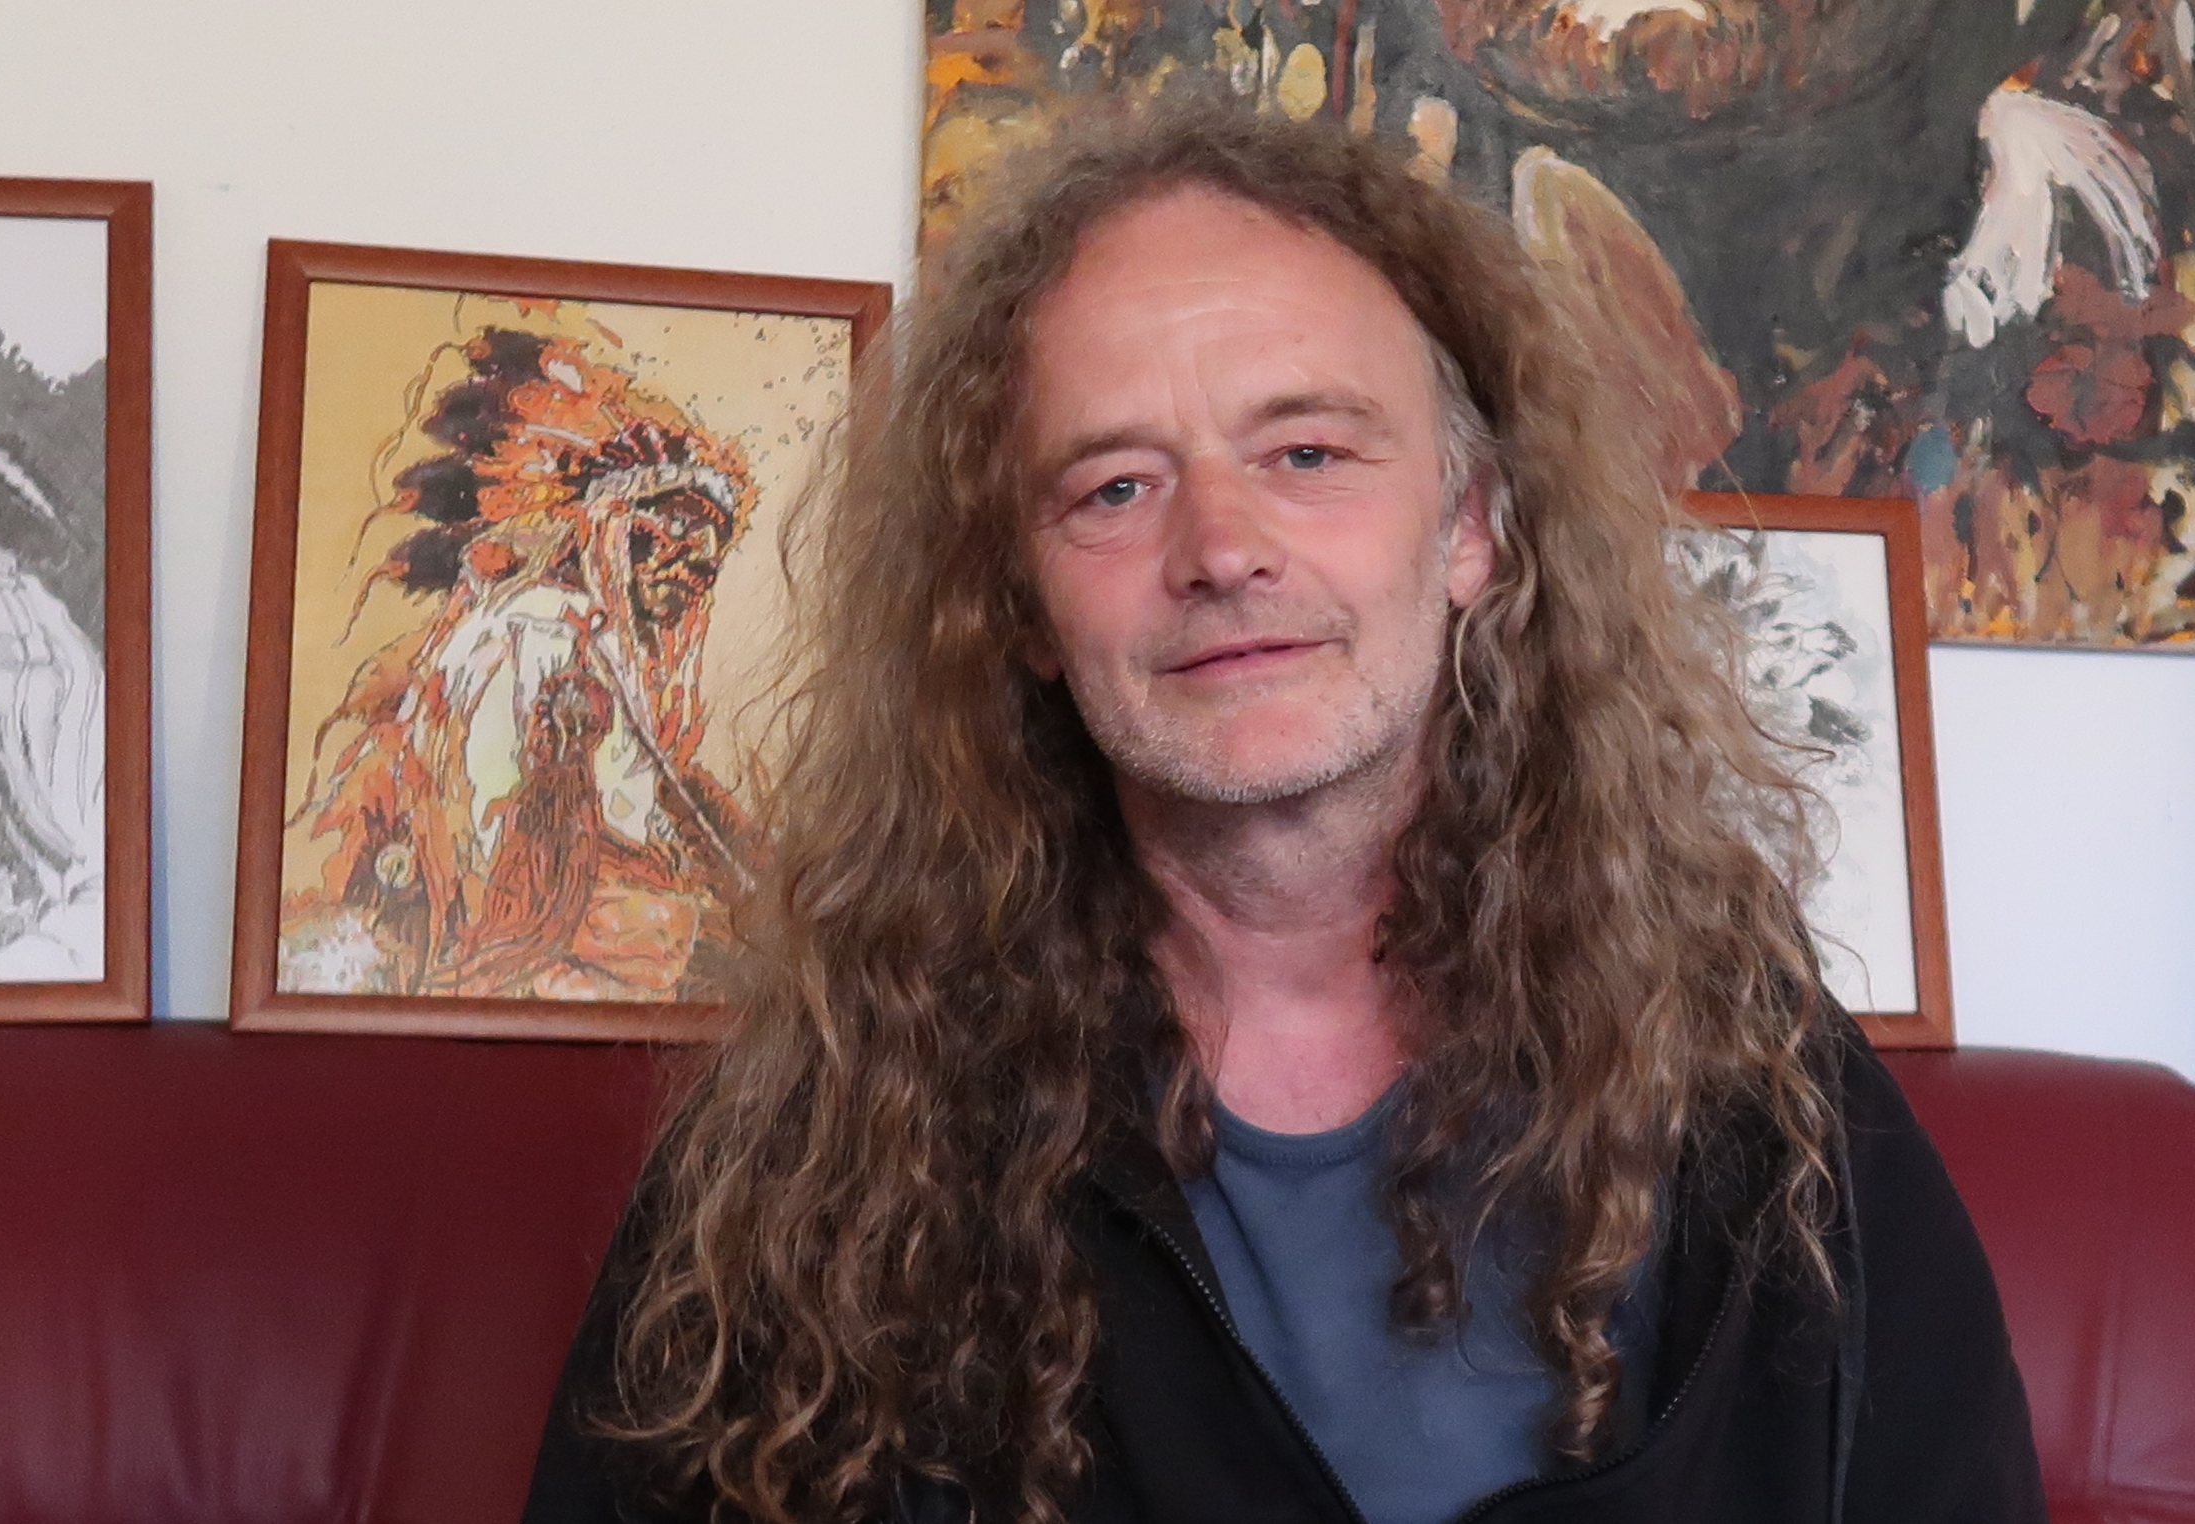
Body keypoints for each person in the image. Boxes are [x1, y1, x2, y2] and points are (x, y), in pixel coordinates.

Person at [524, 98, 2042, 1524]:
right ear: (1023, 609)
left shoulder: (1735, 1049)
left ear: (1469, 527)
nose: (1221, 547)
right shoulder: (838, 1114)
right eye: (1114, 488)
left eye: (1306, 453)